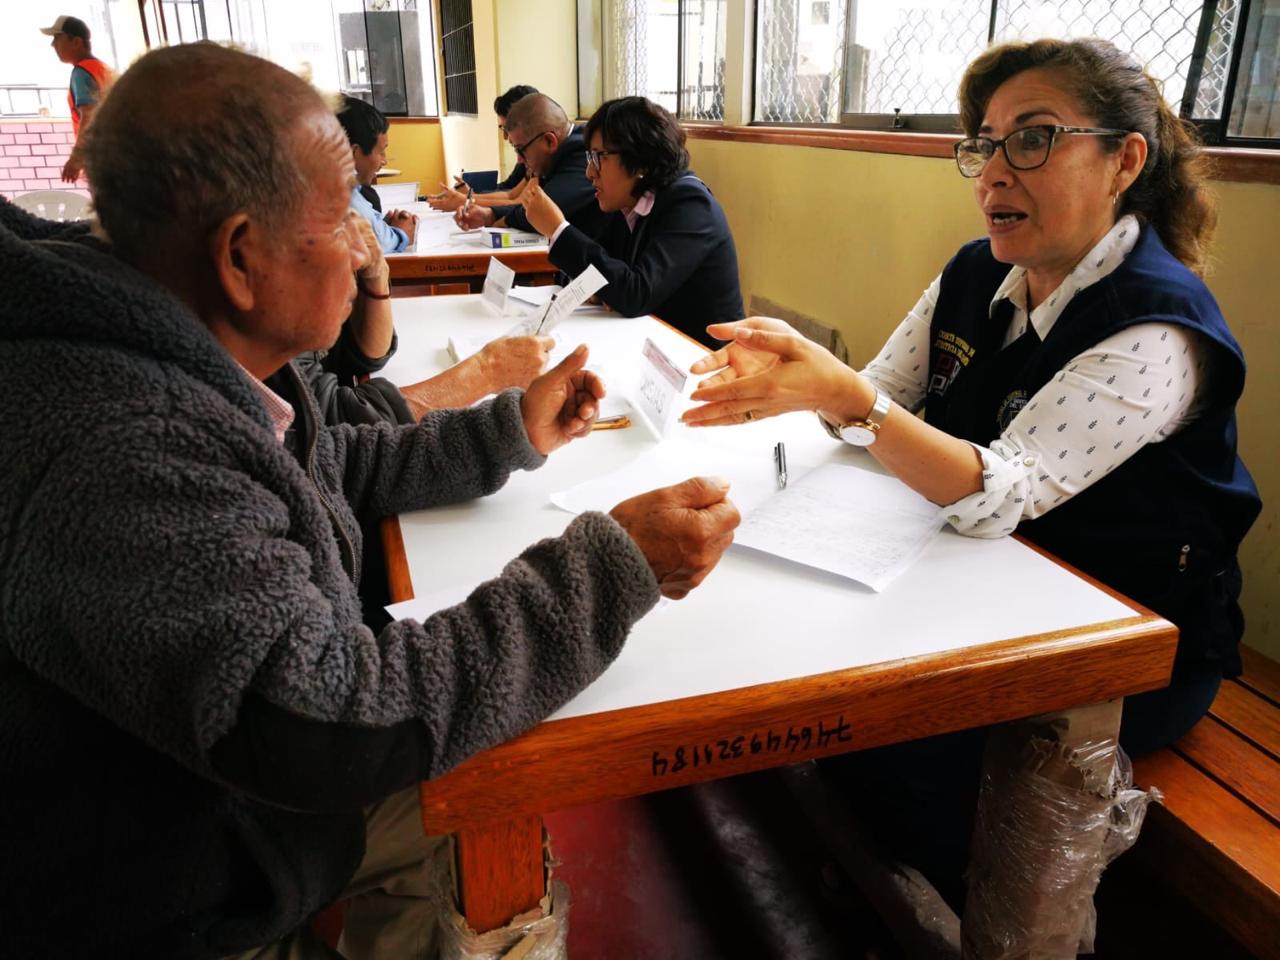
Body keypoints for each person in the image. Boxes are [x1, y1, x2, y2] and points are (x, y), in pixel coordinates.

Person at [0, 41, 740, 960]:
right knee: (487, 800)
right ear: (241, 256)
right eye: (338, 214)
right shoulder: (123, 444)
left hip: (222, 793)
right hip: (175, 885)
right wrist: (610, 567)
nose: (367, 240)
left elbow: (326, 462)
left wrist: (506, 431)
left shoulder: (177, 353)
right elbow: (336, 724)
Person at [681, 37, 1260, 905]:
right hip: (979, 585)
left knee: (905, 743)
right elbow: (882, 394)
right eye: (983, 143)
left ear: (1123, 162)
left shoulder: (1161, 327)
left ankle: (925, 905)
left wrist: (847, 401)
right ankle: (866, 881)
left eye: (1032, 138)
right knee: (819, 677)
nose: (994, 173)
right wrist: (810, 395)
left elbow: (1005, 491)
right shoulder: (974, 272)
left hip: (1128, 638)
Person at [519, 96, 744, 346]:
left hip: (699, 356)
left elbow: (635, 294)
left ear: (639, 159)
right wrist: (599, 287)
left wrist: (557, 229)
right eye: (589, 158)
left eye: (599, 157)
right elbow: (599, 273)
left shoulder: (691, 204)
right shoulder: (627, 202)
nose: (589, 172)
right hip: (646, 342)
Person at [454, 93, 606, 238]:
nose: (519, 160)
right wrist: (490, 214)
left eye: (521, 149)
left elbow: (544, 208)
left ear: (549, 141)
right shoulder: (556, 155)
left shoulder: (581, 151)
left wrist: (498, 216)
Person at [427, 83, 539, 212]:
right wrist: (469, 195)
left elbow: (518, 204)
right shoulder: (527, 156)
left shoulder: (543, 158)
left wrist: (467, 200)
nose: (506, 137)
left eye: (508, 129)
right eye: (503, 129)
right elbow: (510, 192)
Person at [337, 94, 418, 252]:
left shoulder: (352, 190)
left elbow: (370, 228)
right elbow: (380, 243)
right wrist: (402, 233)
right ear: (354, 153)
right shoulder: (341, 194)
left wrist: (382, 225)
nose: (384, 161)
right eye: (381, 152)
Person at [40, 14, 115, 183]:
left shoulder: (81, 74)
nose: (53, 45)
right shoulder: (103, 69)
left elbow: (88, 116)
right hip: (118, 153)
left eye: (57, 38)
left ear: (76, 42)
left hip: (100, 158)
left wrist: (76, 159)